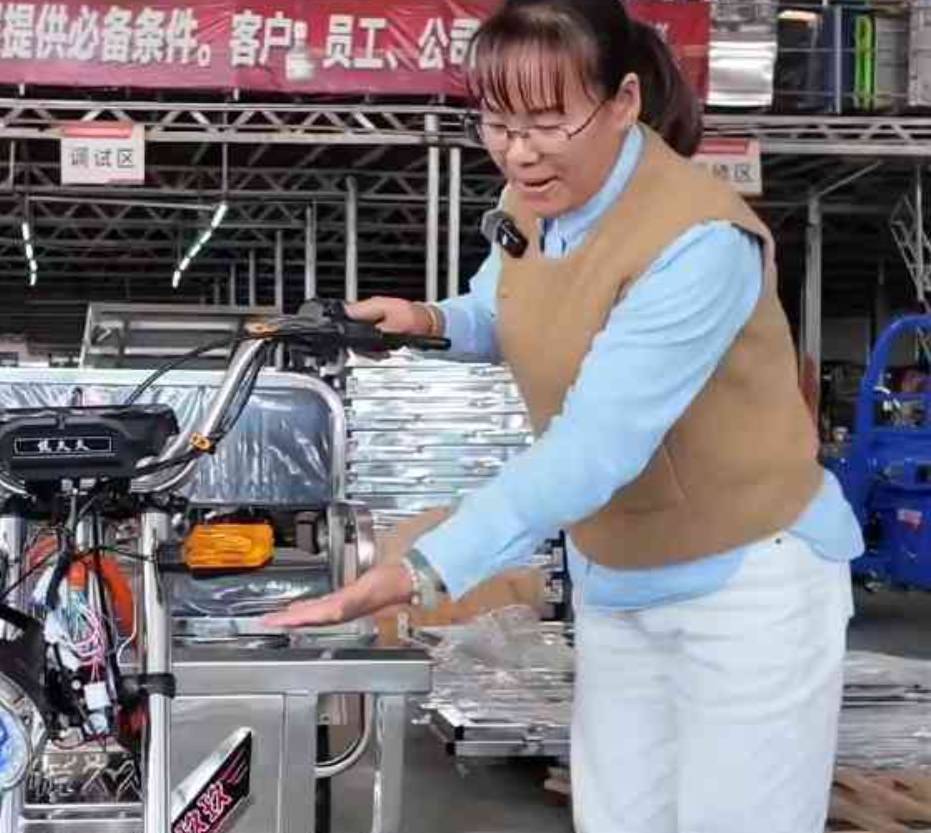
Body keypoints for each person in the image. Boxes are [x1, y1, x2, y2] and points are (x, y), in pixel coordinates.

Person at [262, 0, 864, 830]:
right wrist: (425, 321)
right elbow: (503, 306)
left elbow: (594, 446)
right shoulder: (532, 200)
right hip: (618, 576)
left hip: (745, 582)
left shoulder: (698, 242)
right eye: (497, 123)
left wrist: (421, 569)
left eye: (547, 123)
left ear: (622, 102)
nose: (518, 151)